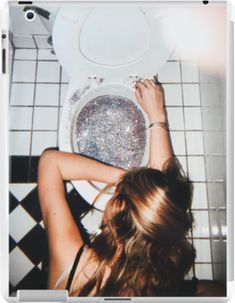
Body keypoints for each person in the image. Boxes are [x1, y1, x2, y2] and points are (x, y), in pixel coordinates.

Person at [38, 79, 196, 296]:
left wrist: (128, 180)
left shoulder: (73, 267)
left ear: (116, 213)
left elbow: (49, 162)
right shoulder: (156, 280)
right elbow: (161, 205)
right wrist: (157, 117)